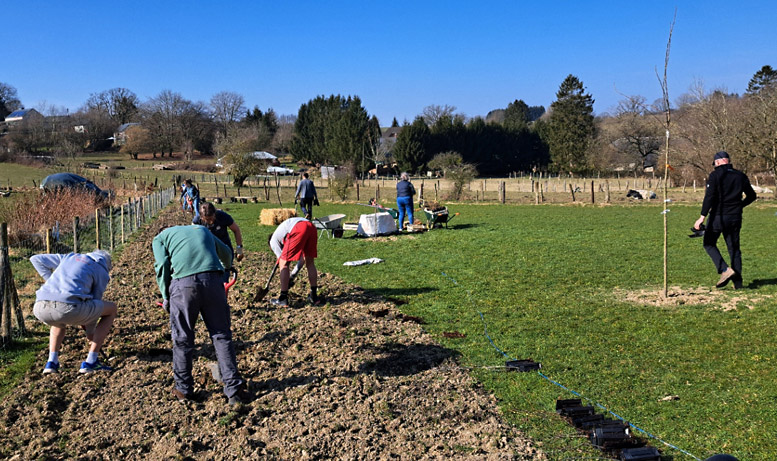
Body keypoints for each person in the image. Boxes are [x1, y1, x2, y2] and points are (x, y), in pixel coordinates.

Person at [153, 225, 248, 405]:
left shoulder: (160, 238)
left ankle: (183, 390)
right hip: (213, 282)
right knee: (221, 335)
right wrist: (225, 272)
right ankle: (234, 391)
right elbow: (227, 254)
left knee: (183, 339)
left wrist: (166, 296)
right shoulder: (201, 229)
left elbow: (163, 265)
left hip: (184, 286)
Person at [30, 250, 117, 374]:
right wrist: (90, 331)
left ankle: (51, 362)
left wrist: (53, 284)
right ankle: (91, 361)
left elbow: (36, 259)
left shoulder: (68, 257)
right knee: (112, 309)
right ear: (108, 265)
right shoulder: (101, 269)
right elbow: (95, 301)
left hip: (40, 308)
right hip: (68, 308)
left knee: (58, 321)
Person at [693, 151, 756, 289]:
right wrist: (740, 206)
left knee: (709, 243)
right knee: (734, 249)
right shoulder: (740, 175)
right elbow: (752, 195)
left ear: (719, 162)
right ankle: (738, 283)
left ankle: (725, 269)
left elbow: (709, 197)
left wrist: (701, 217)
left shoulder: (715, 175)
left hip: (718, 216)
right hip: (735, 217)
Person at [268, 217, 322, 306]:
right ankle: (314, 296)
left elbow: (283, 262)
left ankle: (283, 298)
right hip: (311, 226)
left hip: (299, 227)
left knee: (284, 264)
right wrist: (292, 275)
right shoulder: (282, 234)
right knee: (310, 262)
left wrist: (289, 278)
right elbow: (302, 260)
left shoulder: (273, 241)